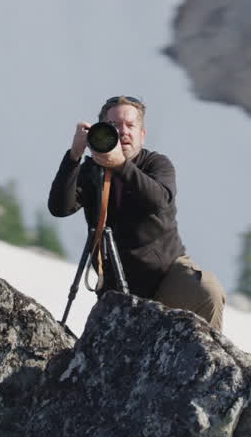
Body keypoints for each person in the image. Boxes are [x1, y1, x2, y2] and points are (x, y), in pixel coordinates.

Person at [48, 95, 225, 329]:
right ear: (100, 132)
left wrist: (120, 165)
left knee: (206, 291)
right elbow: (59, 208)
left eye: (130, 126)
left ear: (142, 134)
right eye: (114, 126)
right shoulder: (91, 172)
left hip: (167, 277)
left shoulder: (156, 164)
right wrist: (74, 157)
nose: (123, 132)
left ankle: (205, 363)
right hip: (117, 288)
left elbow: (159, 200)